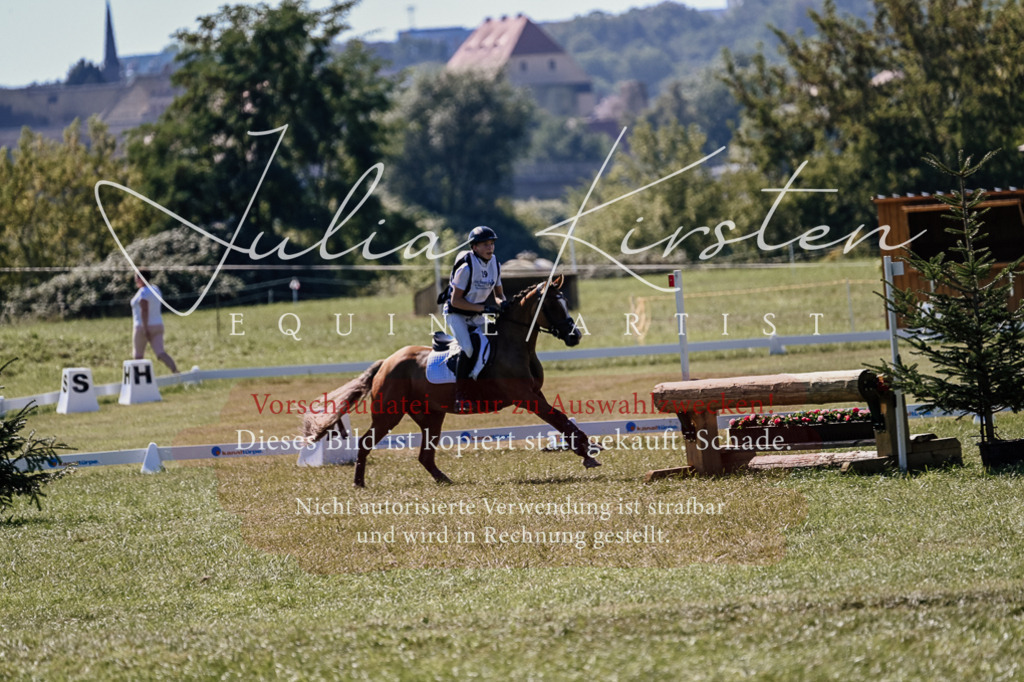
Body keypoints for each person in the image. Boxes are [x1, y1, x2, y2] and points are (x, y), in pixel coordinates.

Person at [443, 226, 506, 413]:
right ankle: (460, 393)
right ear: (474, 247)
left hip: (477, 314)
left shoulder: (495, 263)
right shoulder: (466, 268)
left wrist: (503, 305)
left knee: (495, 341)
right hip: (456, 314)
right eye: (485, 244)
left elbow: (499, 295)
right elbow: (456, 301)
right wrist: (482, 308)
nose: (490, 248)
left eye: (492, 243)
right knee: (469, 348)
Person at [130, 269, 178, 373]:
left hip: (142, 327)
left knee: (138, 356)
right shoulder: (156, 289)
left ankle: (138, 380)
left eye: (136, 278)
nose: (135, 280)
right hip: (158, 325)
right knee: (160, 353)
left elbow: (144, 310)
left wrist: (145, 329)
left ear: (141, 278)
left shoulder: (143, 292)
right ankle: (175, 371)